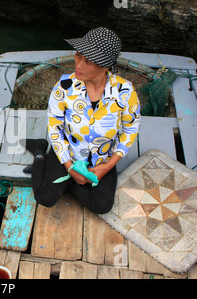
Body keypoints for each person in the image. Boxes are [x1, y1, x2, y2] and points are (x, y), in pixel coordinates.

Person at [21, 27, 141, 214]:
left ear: (105, 65)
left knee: (102, 206)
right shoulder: (63, 88)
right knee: (45, 197)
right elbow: (55, 128)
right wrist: (69, 168)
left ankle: (66, 183)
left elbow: (130, 130)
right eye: (78, 56)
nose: (79, 65)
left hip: (102, 159)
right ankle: (39, 151)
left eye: (89, 61)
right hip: (68, 153)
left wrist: (107, 166)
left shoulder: (125, 92)